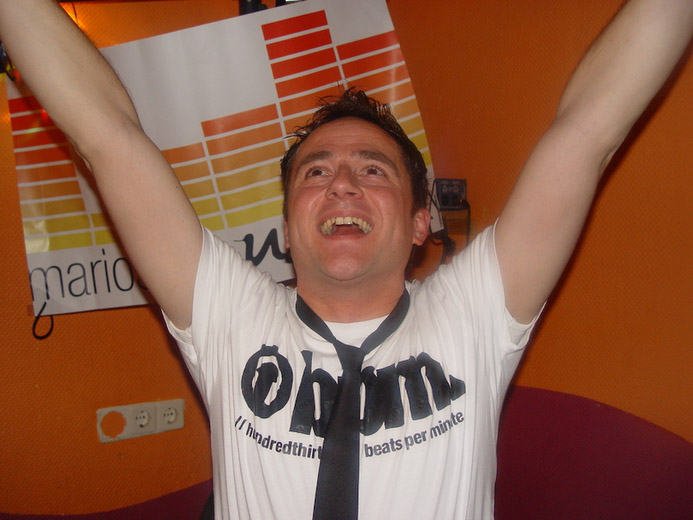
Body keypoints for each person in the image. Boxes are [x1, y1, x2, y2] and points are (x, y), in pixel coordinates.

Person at [1, 0, 690, 518]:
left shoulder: (474, 311)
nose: (341, 184)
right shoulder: (227, 314)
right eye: (315, 171)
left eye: (373, 170)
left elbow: (587, 131)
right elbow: (109, 136)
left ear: (419, 223)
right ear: (287, 227)